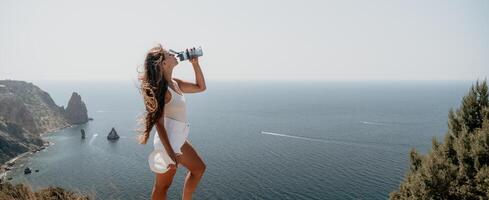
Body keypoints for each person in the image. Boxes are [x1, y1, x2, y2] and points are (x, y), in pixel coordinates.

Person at [138, 44, 207, 200]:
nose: (174, 54)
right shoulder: (161, 89)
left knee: (199, 169)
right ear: (163, 63)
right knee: (162, 187)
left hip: (178, 138)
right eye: (169, 54)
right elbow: (159, 123)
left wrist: (195, 64)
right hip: (167, 143)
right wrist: (170, 153)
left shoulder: (175, 83)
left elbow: (201, 87)